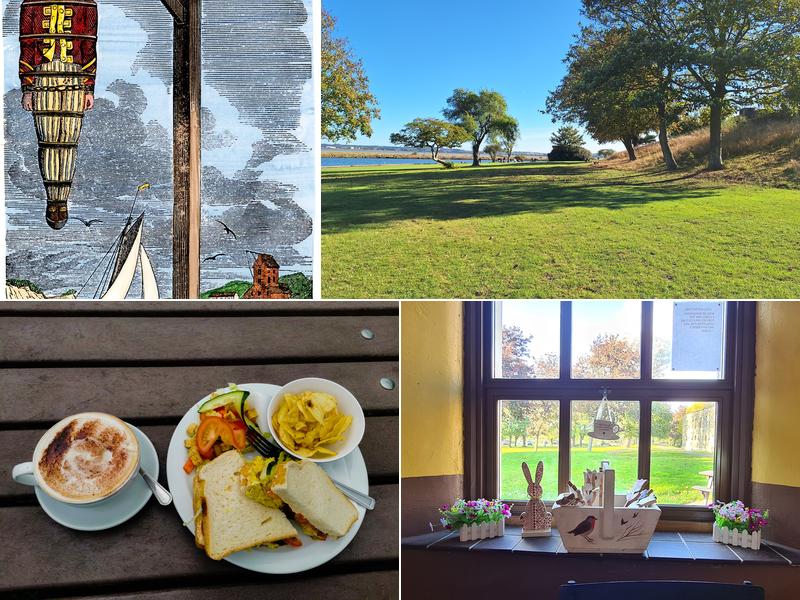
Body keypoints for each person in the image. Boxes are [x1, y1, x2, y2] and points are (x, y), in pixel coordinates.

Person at [18, 0, 98, 229]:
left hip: (75, 77)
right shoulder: (31, 3)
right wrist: (28, 87)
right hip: (43, 76)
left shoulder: (86, 3)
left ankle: (62, 199)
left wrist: (89, 86)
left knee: (69, 143)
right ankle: (53, 200)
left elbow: (89, 47)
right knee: (49, 143)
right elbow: (28, 46)